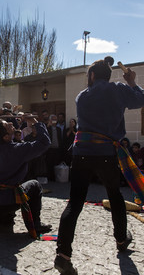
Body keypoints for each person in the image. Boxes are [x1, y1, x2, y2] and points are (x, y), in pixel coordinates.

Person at [54, 56, 144, 274]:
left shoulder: (81, 97)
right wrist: (132, 82)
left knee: (74, 203)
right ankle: (121, 241)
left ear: (92, 75)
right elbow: (140, 100)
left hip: (81, 153)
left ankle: (63, 255)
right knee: (115, 196)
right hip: (106, 153)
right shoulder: (119, 89)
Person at [0, 116, 52, 237]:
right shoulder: (18, 149)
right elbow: (44, 143)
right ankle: (36, 223)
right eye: (7, 125)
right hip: (10, 200)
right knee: (35, 185)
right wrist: (35, 123)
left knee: (6, 200)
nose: (10, 123)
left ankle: (1, 217)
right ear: (6, 137)